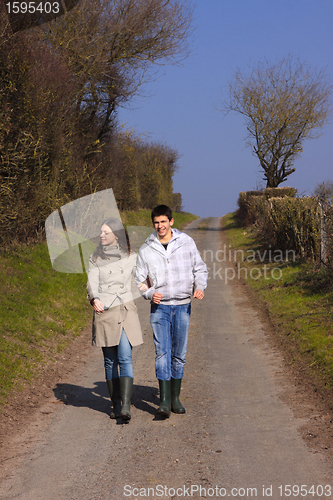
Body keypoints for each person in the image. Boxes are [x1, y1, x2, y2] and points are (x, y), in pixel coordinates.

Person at [135, 205, 208, 417]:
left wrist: (200, 286)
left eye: (163, 222)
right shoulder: (146, 249)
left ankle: (176, 398)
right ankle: (164, 401)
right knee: (162, 353)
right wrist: (149, 293)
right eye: (156, 222)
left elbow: (200, 268)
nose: (160, 226)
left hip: (183, 305)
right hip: (160, 308)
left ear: (171, 222)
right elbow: (139, 280)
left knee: (179, 353)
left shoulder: (186, 243)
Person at [87, 218, 143, 421]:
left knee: (125, 357)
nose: (102, 235)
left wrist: (148, 286)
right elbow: (91, 282)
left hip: (125, 310)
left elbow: (143, 277)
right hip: (105, 312)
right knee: (110, 361)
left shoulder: (130, 256)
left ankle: (126, 406)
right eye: (101, 232)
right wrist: (95, 298)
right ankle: (115, 404)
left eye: (106, 232)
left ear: (116, 235)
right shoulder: (95, 258)